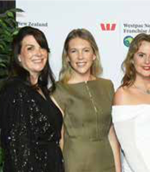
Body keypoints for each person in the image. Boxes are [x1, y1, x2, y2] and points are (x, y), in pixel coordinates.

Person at [52, 28, 121, 172]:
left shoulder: (107, 86)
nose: (80, 57)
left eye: (86, 50)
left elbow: (111, 134)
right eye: (74, 51)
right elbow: (60, 139)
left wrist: (118, 169)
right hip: (75, 164)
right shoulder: (58, 90)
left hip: (106, 162)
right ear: (67, 57)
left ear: (94, 54)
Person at [0, 26, 64, 172]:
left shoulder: (41, 89)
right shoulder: (16, 91)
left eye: (42, 47)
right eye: (30, 48)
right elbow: (19, 152)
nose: (38, 53)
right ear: (19, 56)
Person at [112, 33, 150, 172]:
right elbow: (129, 148)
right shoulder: (123, 94)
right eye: (141, 55)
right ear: (132, 59)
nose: (147, 61)